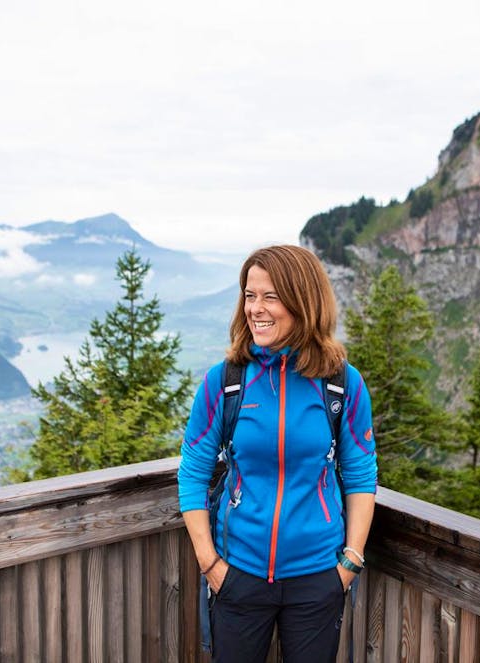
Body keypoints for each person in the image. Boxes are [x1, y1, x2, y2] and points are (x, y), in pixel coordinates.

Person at [178, 244, 378, 662]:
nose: (256, 309)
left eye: (270, 296)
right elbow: (193, 475)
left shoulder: (341, 383)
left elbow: (360, 475)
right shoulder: (226, 381)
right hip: (238, 576)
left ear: (303, 301)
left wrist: (349, 564)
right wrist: (210, 565)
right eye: (250, 296)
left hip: (319, 578)